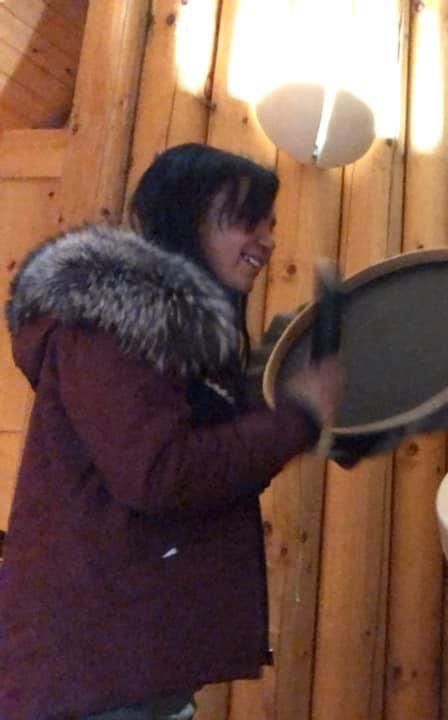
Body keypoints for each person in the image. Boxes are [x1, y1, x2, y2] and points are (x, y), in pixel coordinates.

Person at [0, 143, 342, 719]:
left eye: (271, 224)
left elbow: (198, 469)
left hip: (127, 667)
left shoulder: (175, 342)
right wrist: (296, 418)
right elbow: (160, 473)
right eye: (248, 219)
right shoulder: (112, 324)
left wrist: (275, 401)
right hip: (98, 673)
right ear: (187, 216)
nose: (267, 239)